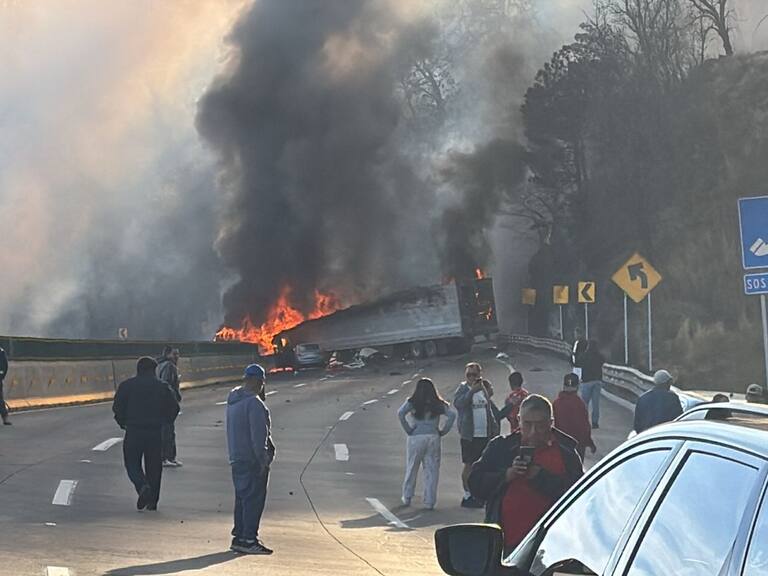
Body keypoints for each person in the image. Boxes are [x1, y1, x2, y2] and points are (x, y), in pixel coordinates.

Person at [468, 395, 583, 553]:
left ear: (551, 423)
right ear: (519, 421)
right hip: (504, 547)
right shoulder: (500, 447)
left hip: (548, 549)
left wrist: (539, 477)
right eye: (528, 425)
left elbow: (579, 498)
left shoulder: (566, 454)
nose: (533, 432)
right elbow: (475, 484)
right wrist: (507, 475)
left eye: (540, 425)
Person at [113, 357, 179, 511]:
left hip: (134, 430)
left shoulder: (127, 386)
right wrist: (165, 422)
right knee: (154, 467)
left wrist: (123, 423)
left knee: (132, 463)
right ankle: (153, 501)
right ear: (154, 370)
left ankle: (142, 486)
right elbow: (174, 407)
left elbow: (117, 407)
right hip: (155, 432)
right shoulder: (162, 387)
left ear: (138, 369)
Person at [226, 364, 275, 555]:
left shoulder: (233, 400)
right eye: (262, 381)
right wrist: (262, 460)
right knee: (254, 500)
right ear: (258, 381)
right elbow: (258, 436)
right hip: (251, 459)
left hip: (236, 457)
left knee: (242, 499)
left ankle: (239, 536)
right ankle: (249, 539)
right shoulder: (254, 403)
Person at [397, 378, 456, 509]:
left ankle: (407, 496)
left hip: (416, 437)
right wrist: (443, 431)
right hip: (433, 436)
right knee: (432, 469)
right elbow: (452, 415)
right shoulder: (438, 403)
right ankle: (430, 501)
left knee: (412, 466)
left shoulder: (412, 402)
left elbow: (400, 413)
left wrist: (408, 429)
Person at [454, 362, 500, 508]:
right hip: (469, 435)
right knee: (469, 465)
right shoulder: (463, 389)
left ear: (480, 375)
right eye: (468, 375)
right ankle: (468, 495)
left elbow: (489, 410)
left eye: (474, 375)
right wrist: (471, 391)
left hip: (484, 434)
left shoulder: (484, 389)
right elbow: (459, 404)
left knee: (483, 466)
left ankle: (480, 494)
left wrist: (494, 429)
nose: (471, 378)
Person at [552, 373, 596, 459]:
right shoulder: (580, 404)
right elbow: (584, 426)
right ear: (577, 386)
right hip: (577, 445)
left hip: (561, 445)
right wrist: (589, 442)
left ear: (564, 385)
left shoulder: (556, 403)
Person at [633, 369, 683, 433]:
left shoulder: (642, 398)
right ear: (667, 382)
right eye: (669, 382)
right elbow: (679, 420)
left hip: (646, 436)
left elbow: (637, 424)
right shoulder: (672, 398)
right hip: (666, 434)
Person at [157, 346, 182, 467]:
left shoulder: (160, 365)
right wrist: (174, 400)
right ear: (167, 354)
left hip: (161, 403)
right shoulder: (169, 366)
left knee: (167, 430)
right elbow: (166, 384)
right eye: (174, 354)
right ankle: (166, 457)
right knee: (167, 431)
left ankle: (169, 457)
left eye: (178, 354)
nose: (177, 357)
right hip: (167, 404)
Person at [575, 339, 605, 429]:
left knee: (585, 403)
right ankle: (595, 423)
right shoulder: (599, 356)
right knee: (596, 404)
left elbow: (577, 363)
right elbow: (603, 361)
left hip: (586, 381)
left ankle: (584, 421)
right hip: (597, 381)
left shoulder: (584, 356)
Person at [0, 347, 10, 425]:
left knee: (0, 399)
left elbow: (5, 365)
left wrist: (2, 376)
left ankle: (4, 417)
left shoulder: (1, 351)